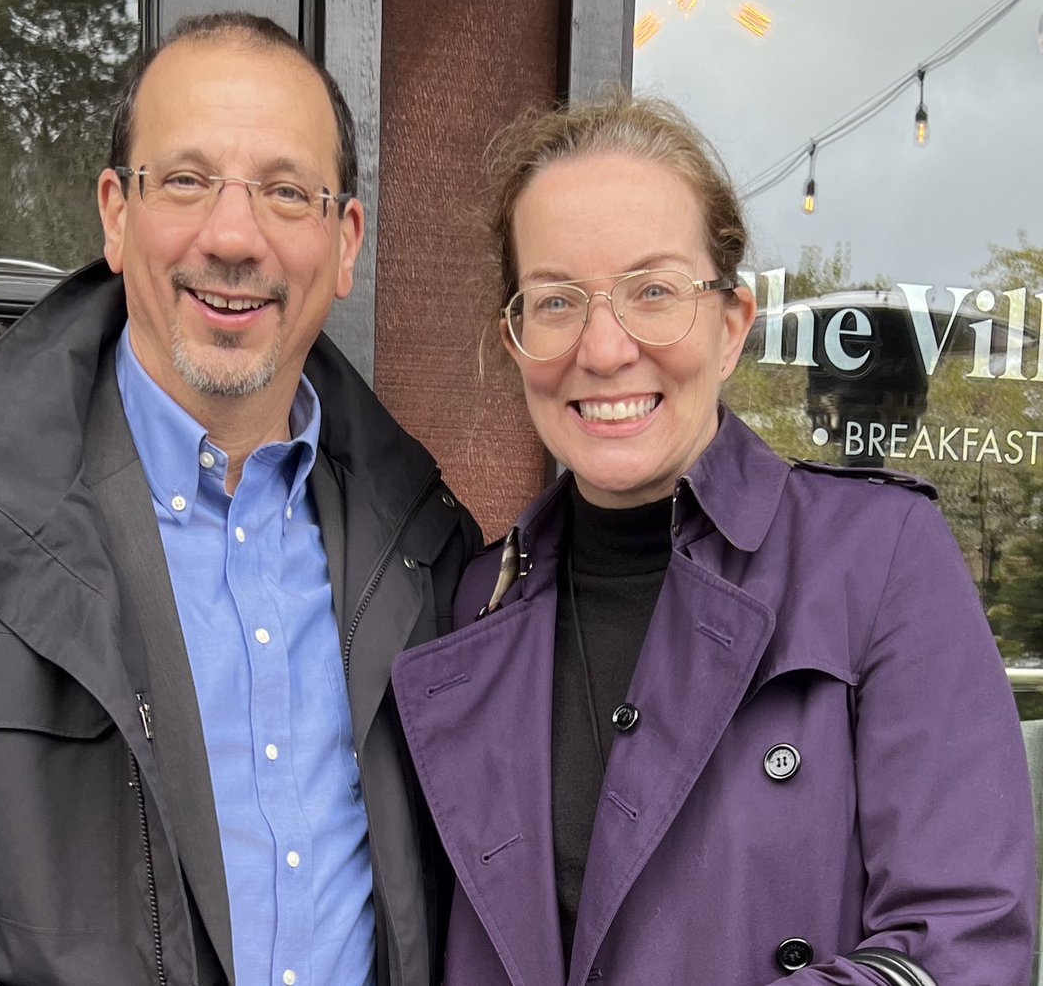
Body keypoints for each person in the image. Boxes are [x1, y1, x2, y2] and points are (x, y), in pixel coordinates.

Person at [0, 12, 479, 986]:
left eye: (285, 190)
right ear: (115, 212)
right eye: (185, 180)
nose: (233, 236)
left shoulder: (430, 550)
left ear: (343, 240)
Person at [391, 93, 1035, 986]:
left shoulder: (880, 558)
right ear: (515, 341)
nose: (605, 347)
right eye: (556, 300)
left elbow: (966, 940)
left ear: (730, 326)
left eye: (653, 291)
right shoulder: (477, 599)